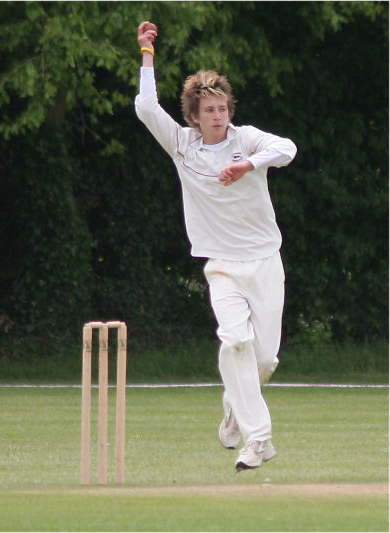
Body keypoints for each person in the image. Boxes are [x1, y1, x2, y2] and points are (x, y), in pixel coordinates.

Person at [134, 21, 297, 471]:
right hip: (221, 265)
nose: (218, 116)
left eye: (222, 108)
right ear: (194, 115)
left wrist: (249, 164)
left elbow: (287, 148)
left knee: (263, 359)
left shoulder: (246, 140)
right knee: (235, 342)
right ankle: (258, 439)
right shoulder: (182, 147)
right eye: (209, 110)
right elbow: (147, 107)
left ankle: (232, 407)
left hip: (264, 261)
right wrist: (147, 54)